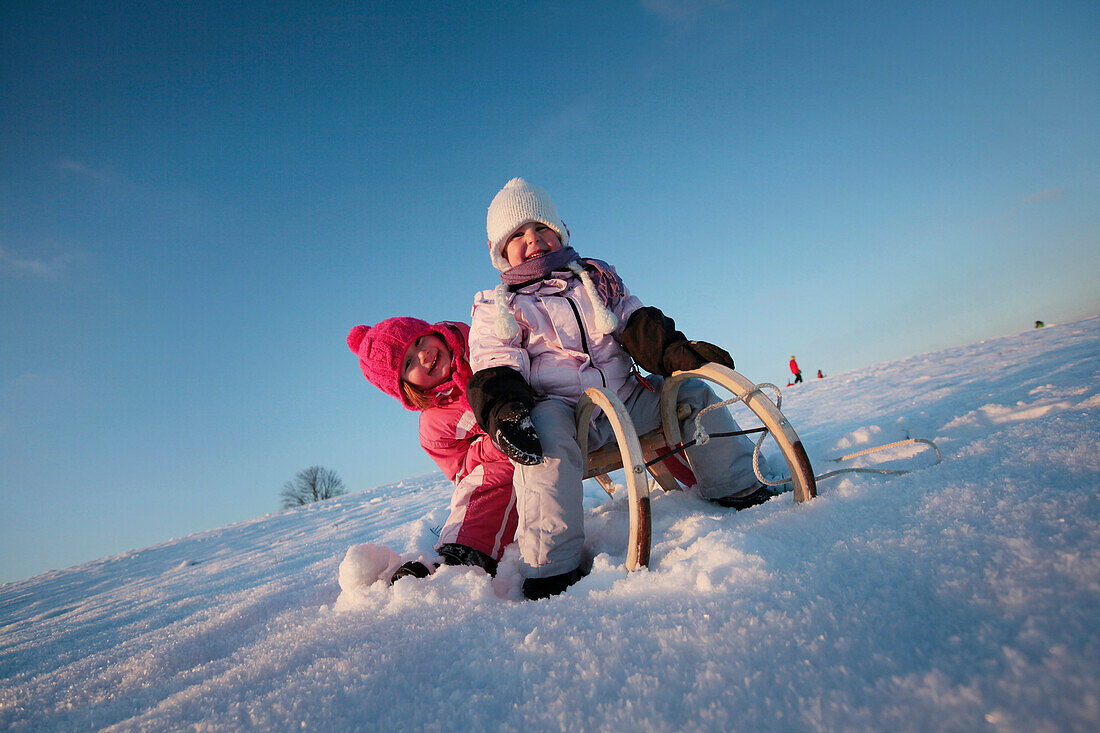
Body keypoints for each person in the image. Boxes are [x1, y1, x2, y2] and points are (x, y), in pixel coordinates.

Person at [465, 178, 773, 600]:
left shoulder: (596, 279)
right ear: (499, 251)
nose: (532, 240)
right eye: (516, 235)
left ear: (561, 231)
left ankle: (739, 486)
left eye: (541, 228)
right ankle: (551, 565)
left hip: (625, 399)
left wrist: (676, 353)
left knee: (688, 395)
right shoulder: (500, 305)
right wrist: (503, 407)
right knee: (543, 441)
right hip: (564, 413)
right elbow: (495, 360)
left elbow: (636, 323)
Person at [347, 317, 518, 584]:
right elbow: (462, 470)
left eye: (418, 341)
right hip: (507, 460)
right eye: (408, 363)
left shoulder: (480, 344)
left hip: (558, 414)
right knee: (482, 482)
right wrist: (492, 444)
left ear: (433, 331)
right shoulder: (435, 427)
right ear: (405, 387)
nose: (423, 355)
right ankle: (461, 556)